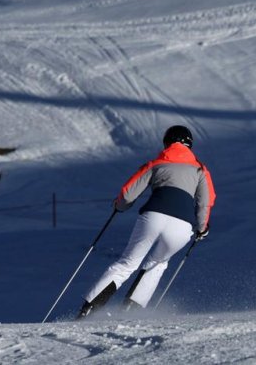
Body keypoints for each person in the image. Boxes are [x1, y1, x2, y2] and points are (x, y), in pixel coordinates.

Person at [77, 125, 216, 319]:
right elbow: (205, 203)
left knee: (127, 263)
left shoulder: (156, 163)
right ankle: (130, 311)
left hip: (153, 217)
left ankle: (88, 310)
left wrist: (119, 207)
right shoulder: (201, 170)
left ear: (167, 143)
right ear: (189, 145)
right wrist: (202, 228)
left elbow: (128, 193)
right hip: (182, 227)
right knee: (158, 264)